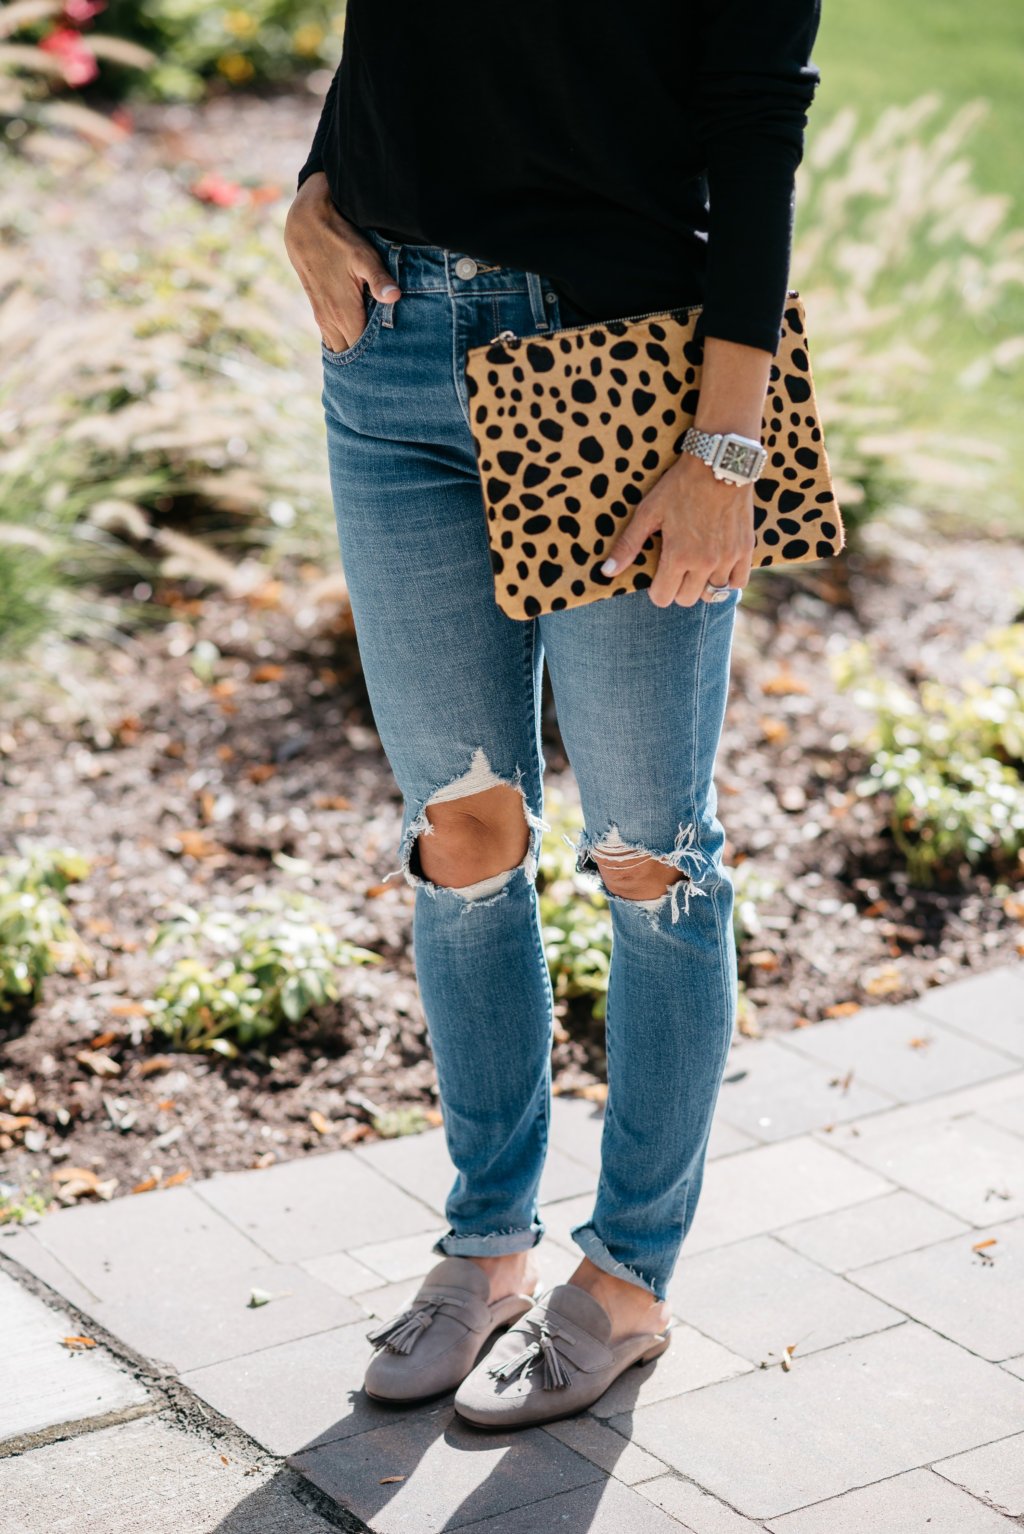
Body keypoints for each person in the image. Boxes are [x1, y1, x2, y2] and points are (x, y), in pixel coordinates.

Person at [285, 0, 822, 1430]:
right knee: (461, 832)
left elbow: (759, 141)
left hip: (622, 373)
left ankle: (629, 1277)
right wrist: (309, 196)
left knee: (649, 853)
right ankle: (486, 1241)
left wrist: (727, 447)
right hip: (389, 350)